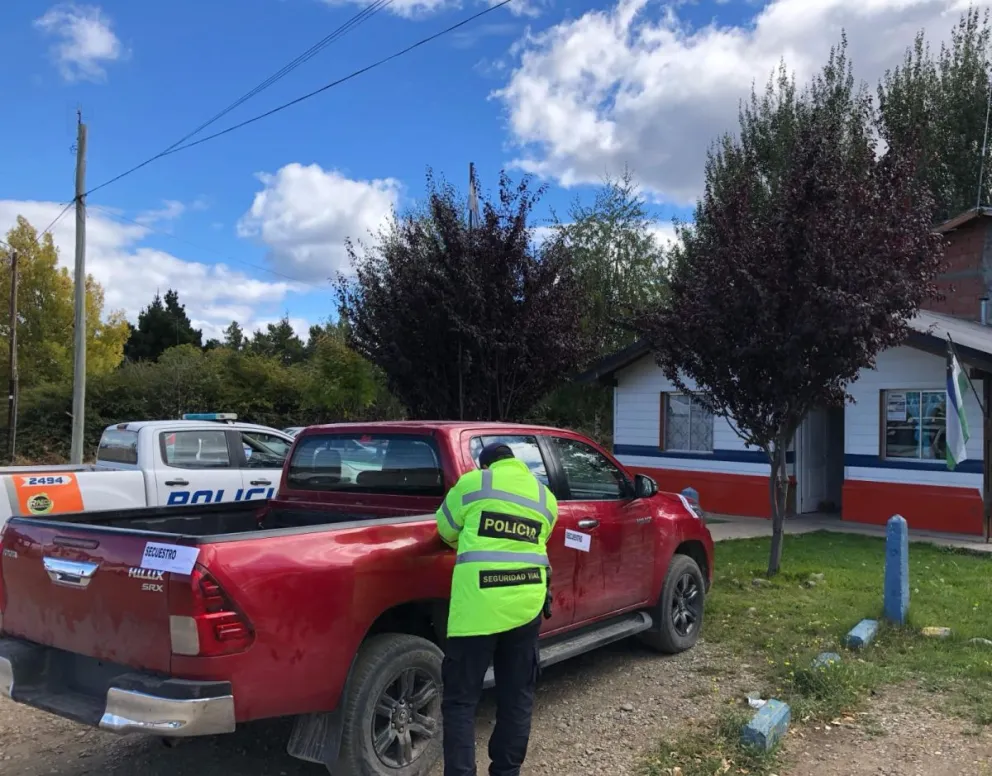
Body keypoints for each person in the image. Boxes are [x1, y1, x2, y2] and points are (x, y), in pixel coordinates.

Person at [435, 442, 558, 776]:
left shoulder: (475, 483)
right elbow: (539, 539)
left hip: (477, 608)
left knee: (461, 701)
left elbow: (445, 530)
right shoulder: (545, 496)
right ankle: (507, 771)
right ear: (514, 462)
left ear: (485, 464)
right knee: (516, 696)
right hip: (526, 606)